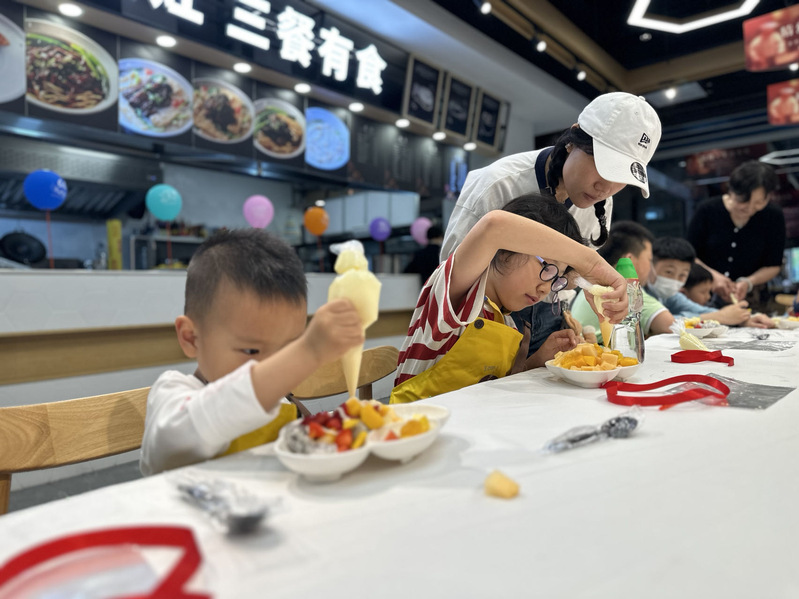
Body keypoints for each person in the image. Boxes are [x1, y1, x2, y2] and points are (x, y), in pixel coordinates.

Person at [441, 92, 661, 355]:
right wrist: (590, 263)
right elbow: (449, 277)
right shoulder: (498, 184)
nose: (606, 188)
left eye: (622, 178)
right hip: (485, 320)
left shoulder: (601, 201)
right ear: (572, 141)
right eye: (604, 167)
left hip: (554, 319)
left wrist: (590, 286)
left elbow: (571, 274)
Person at [140, 229, 365, 475]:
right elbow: (181, 436)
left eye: (287, 348)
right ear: (191, 338)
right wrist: (308, 352)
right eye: (251, 350)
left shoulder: (283, 403)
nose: (273, 365)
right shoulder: (172, 395)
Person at [390, 194, 627, 404]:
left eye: (556, 278)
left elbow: (491, 389)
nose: (546, 288)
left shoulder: (507, 321)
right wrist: (590, 264)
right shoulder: (457, 294)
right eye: (546, 266)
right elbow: (494, 226)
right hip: (413, 428)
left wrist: (536, 361)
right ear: (504, 250)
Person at [687, 160, 785, 310]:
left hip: (752, 300)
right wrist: (712, 276)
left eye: (758, 202)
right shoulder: (707, 210)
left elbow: (773, 265)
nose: (750, 208)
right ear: (731, 190)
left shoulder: (773, 216)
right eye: (743, 201)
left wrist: (748, 282)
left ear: (768, 197)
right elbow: (690, 255)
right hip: (704, 297)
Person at [570, 221, 671, 344]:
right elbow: (671, 327)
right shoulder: (626, 288)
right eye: (649, 260)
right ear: (629, 260)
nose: (651, 268)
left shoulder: (596, 285)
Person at [648, 237, 773, 328]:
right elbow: (665, 323)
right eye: (669, 272)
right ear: (650, 265)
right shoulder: (641, 294)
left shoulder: (670, 295)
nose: (675, 280)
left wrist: (741, 318)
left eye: (682, 275)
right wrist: (721, 316)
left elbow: (700, 310)